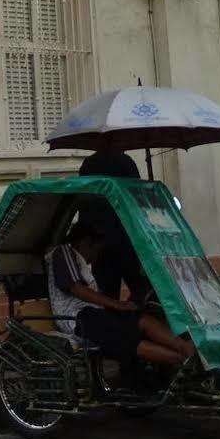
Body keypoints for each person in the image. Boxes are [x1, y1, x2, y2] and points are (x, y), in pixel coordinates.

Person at [44, 222, 197, 371]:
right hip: (78, 318)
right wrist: (117, 305)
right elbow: (76, 288)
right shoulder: (64, 252)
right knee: (127, 339)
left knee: (141, 319)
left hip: (94, 313)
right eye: (96, 250)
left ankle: (184, 347)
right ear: (85, 242)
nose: (95, 257)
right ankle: (185, 360)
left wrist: (120, 307)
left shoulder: (78, 261)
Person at [77, 150, 152, 304]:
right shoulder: (125, 161)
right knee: (141, 288)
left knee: (107, 293)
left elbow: (84, 197)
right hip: (126, 236)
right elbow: (134, 193)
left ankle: (114, 321)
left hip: (100, 240)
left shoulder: (90, 163)